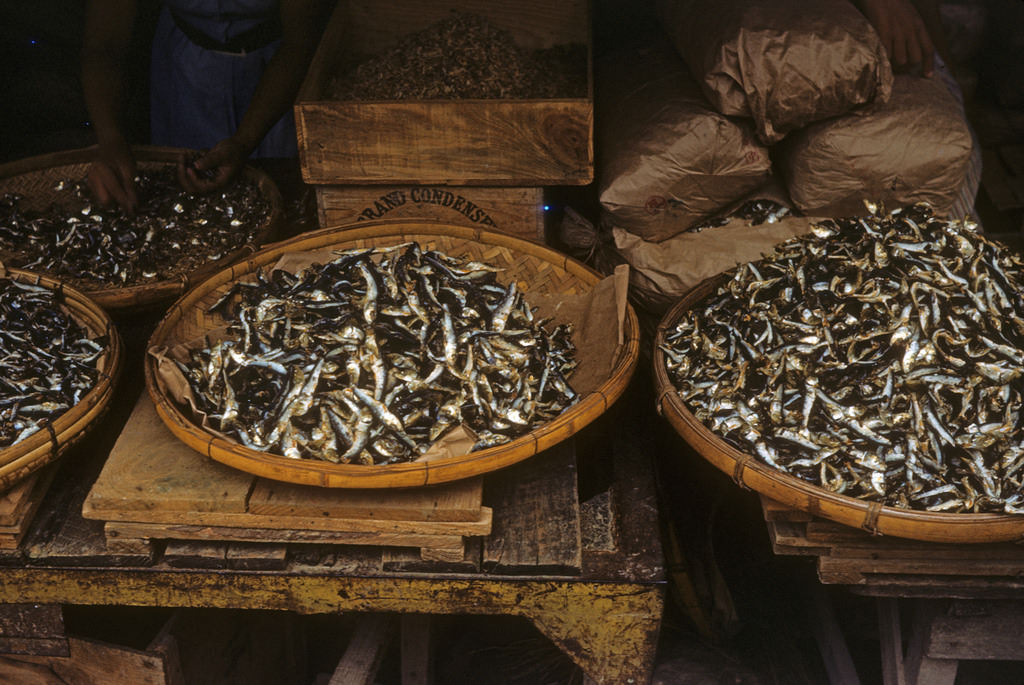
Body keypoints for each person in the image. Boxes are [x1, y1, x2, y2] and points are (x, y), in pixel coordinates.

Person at [82, 0, 331, 211]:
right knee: (183, 195)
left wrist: (243, 141)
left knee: (279, 198)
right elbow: (105, 44)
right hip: (185, 71)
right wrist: (110, 137)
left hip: (274, 73)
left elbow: (300, 41)